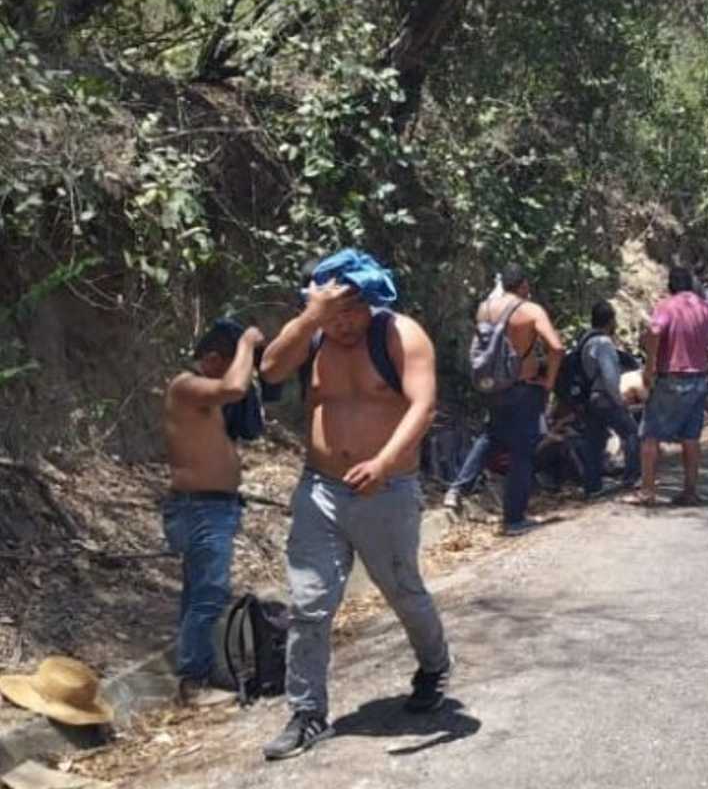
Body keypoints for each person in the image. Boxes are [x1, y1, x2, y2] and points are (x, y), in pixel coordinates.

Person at [256, 249, 451, 762]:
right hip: (320, 489)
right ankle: (306, 712)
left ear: (370, 301)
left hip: (386, 490)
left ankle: (434, 666)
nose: (344, 324)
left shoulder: (400, 335)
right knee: (309, 603)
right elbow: (271, 370)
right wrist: (312, 317)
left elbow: (423, 404)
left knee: (403, 590)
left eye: (352, 310)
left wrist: (384, 463)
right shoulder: (312, 335)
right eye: (334, 313)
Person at [162, 319, 265, 706]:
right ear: (212, 359)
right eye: (231, 361)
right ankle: (193, 680)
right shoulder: (186, 386)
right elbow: (234, 387)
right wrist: (248, 343)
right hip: (200, 507)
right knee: (209, 594)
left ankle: (197, 671)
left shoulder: (207, 398)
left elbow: (245, 409)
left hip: (214, 506)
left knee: (199, 593)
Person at [444, 265, 564, 535]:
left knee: (491, 435)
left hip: (493, 387)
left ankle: (457, 488)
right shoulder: (530, 310)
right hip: (523, 387)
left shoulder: (484, 309)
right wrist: (549, 382)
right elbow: (556, 347)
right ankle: (514, 519)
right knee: (522, 452)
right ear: (523, 285)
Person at [632, 266, 708, 507]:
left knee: (650, 434)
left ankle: (647, 491)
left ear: (670, 285)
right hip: (699, 378)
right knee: (691, 437)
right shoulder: (706, 306)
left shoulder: (667, 306)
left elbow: (654, 331)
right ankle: (690, 491)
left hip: (671, 377)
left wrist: (650, 367)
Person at [577, 300, 640, 497]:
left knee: (594, 442)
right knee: (631, 432)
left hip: (590, 398)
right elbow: (610, 375)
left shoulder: (585, 340)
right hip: (605, 397)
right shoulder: (603, 343)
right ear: (611, 320)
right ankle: (632, 477)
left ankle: (592, 486)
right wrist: (619, 400)